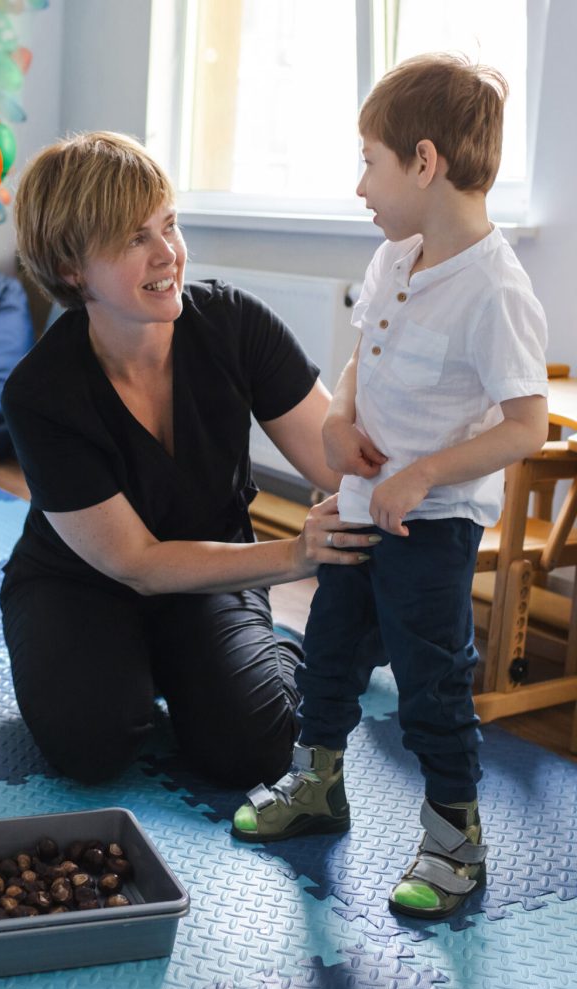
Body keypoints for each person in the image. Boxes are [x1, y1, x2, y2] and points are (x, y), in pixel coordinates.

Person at [231, 54, 549, 920]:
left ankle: (454, 842)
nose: (360, 184)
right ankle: (316, 787)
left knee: (432, 687)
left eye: (369, 160)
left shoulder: (495, 289)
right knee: (326, 659)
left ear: (424, 160)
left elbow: (527, 426)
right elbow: (357, 363)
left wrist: (422, 474)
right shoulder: (393, 259)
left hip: (430, 530)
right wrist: (337, 420)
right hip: (361, 513)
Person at [0, 131, 378, 791]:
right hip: (80, 584)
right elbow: (136, 564)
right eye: (131, 239)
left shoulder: (235, 324)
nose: (166, 253)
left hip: (211, 577)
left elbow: (331, 459)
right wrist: (296, 557)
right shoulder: (40, 393)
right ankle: (144, 668)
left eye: (167, 225)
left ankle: (265, 655)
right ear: (69, 269)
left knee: (252, 751)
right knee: (93, 746)